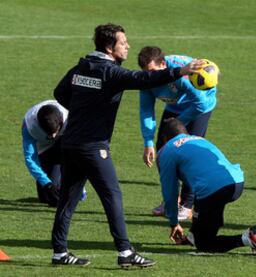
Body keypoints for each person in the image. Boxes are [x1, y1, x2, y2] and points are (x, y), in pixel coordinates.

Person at [51, 23, 203, 268]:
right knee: (112, 196)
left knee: (68, 199)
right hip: (92, 146)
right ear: (110, 48)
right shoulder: (110, 72)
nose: (128, 46)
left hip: (70, 143)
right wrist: (180, 71)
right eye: (123, 43)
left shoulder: (80, 67)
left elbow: (60, 93)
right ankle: (125, 252)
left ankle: (59, 252)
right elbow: (142, 78)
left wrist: (84, 110)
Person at [157, 118, 256, 256]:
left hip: (214, 189)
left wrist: (174, 222)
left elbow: (170, 191)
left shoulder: (168, 149)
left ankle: (246, 238)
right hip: (236, 182)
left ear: (164, 138)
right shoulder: (199, 139)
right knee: (205, 212)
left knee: (204, 244)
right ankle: (194, 236)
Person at [137, 46, 218, 221]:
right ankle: (171, 199)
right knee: (163, 152)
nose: (151, 77)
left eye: (152, 71)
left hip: (199, 106)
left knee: (188, 152)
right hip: (174, 106)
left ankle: (187, 204)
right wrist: (148, 142)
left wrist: (177, 122)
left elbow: (201, 104)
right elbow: (146, 110)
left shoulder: (184, 76)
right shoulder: (147, 80)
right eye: (146, 73)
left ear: (164, 65)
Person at [22, 100, 87, 207]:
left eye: (54, 132)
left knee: (59, 199)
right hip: (44, 146)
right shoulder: (29, 126)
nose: (52, 136)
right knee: (46, 198)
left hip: (66, 141)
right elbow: (30, 159)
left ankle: (77, 188)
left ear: (61, 121)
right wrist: (48, 184)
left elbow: (80, 150)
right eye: (49, 133)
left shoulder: (71, 117)